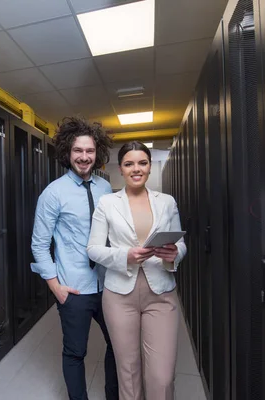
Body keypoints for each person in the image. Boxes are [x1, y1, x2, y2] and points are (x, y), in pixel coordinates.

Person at [87, 141, 187, 400]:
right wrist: (125, 256)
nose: (136, 169)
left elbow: (181, 243)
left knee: (162, 377)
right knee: (128, 371)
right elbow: (93, 249)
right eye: (129, 163)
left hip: (162, 293)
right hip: (120, 294)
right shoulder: (107, 203)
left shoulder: (166, 201)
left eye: (142, 163)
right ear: (120, 168)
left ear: (149, 167)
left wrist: (176, 253)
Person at [31, 116, 119, 400]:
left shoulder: (105, 188)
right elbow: (39, 244)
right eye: (78, 151)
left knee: (118, 345)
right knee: (75, 352)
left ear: (98, 153)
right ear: (68, 153)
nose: (84, 157)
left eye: (90, 151)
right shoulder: (53, 193)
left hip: (107, 286)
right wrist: (56, 287)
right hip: (75, 288)